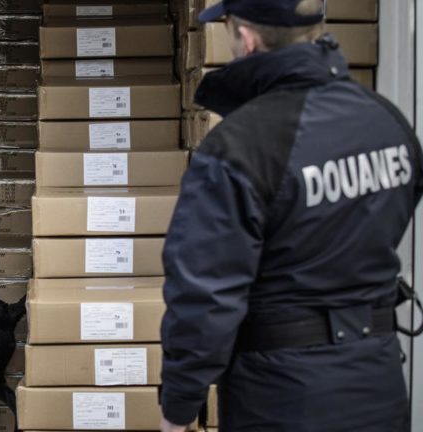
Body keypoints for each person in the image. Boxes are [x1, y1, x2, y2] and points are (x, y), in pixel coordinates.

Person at [159, 0, 422, 431]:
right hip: (378, 382)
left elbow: (205, 296)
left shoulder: (241, 146)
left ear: (246, 38)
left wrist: (179, 406)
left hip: (282, 397)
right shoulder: (386, 120)